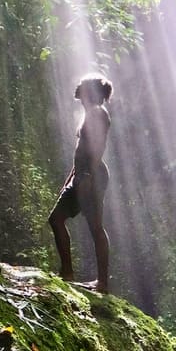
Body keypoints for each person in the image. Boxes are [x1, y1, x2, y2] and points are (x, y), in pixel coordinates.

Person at [48, 73, 113, 293]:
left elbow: (98, 147)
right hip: (81, 175)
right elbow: (80, 151)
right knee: (56, 219)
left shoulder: (98, 113)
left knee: (95, 226)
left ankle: (102, 283)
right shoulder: (89, 113)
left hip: (91, 177)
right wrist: (71, 178)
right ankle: (66, 273)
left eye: (82, 86)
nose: (78, 88)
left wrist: (88, 178)